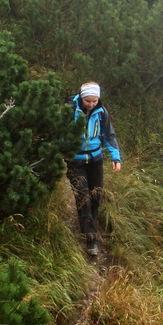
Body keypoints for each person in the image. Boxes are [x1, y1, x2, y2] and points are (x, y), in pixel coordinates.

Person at [65, 82, 122, 256]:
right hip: (76, 161)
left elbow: (109, 135)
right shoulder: (69, 111)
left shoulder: (102, 113)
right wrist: (63, 151)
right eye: (87, 100)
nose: (91, 104)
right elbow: (59, 133)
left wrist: (115, 156)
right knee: (83, 199)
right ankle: (91, 240)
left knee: (96, 196)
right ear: (81, 97)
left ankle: (92, 226)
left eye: (94, 100)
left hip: (96, 160)